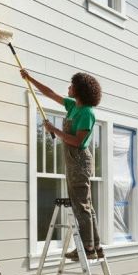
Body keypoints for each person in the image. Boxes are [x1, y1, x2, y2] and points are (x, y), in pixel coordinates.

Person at [20, 69, 103, 259]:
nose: (68, 87)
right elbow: (50, 93)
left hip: (79, 161)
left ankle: (88, 249)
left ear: (79, 89)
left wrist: (53, 129)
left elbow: (77, 141)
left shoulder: (86, 113)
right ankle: (95, 247)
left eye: (71, 85)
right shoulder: (73, 106)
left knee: (80, 205)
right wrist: (30, 78)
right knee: (85, 205)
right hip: (73, 160)